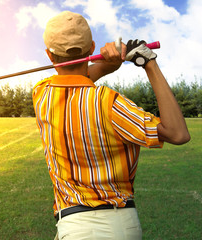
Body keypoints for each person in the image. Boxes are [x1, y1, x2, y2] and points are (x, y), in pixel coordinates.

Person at [32, 11, 190, 240]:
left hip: (74, 225)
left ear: (49, 55)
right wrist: (149, 63)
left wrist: (108, 64)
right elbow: (178, 133)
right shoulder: (111, 104)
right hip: (118, 226)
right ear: (92, 47)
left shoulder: (41, 93)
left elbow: (78, 81)